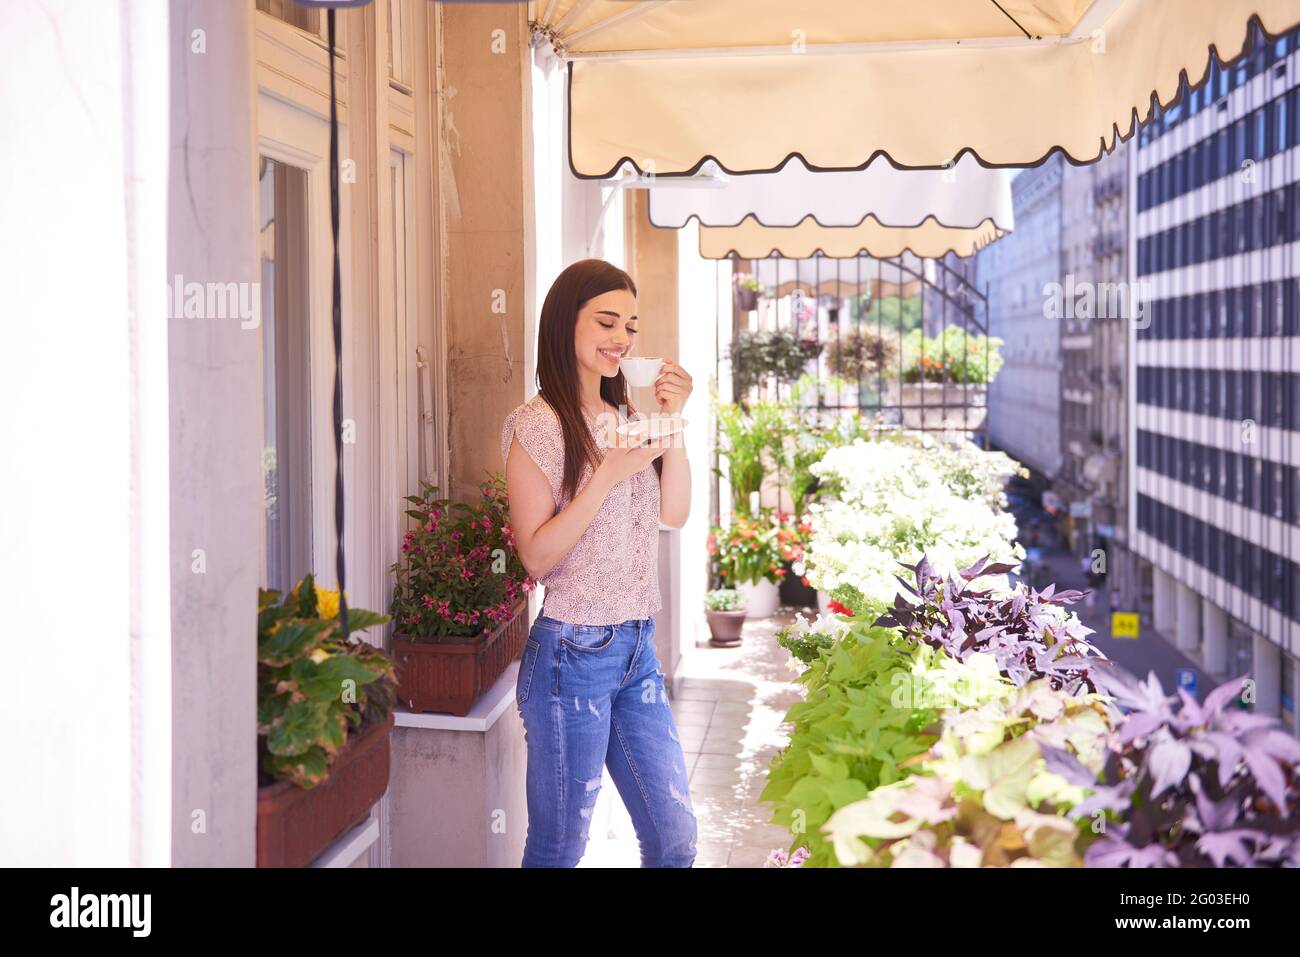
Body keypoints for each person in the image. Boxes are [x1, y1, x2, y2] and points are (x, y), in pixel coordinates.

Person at [500, 258, 697, 867]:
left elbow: (675, 513)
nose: (622, 339)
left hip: (637, 647)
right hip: (571, 657)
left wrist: (673, 424)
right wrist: (609, 473)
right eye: (606, 321)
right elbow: (534, 554)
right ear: (565, 324)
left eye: (631, 327)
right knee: (560, 846)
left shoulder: (630, 419)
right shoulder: (537, 424)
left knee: (674, 840)